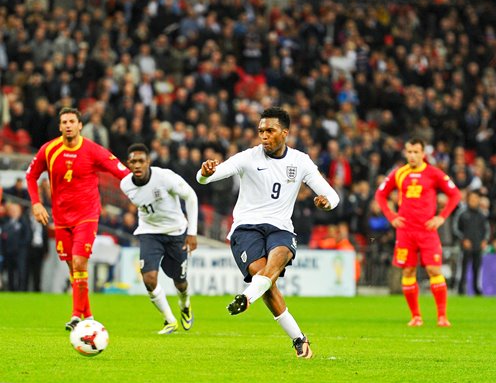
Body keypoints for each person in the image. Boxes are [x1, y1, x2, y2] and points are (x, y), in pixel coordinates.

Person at [196, 107, 339, 358]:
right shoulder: (248, 158)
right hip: (246, 228)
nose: (263, 135)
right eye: (261, 130)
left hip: (280, 227)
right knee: (265, 280)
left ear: (285, 133)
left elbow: (332, 196)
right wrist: (204, 173)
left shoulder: (300, 161)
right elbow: (207, 178)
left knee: (277, 258)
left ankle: (246, 296)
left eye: (270, 130)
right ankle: (298, 338)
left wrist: (326, 202)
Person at [25, 107, 130, 330]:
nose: (68, 125)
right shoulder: (49, 150)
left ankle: (75, 316)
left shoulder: (93, 150)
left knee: (80, 261)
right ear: (60, 126)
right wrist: (36, 203)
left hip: (87, 215)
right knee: (73, 267)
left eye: (72, 121)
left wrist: (139, 185)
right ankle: (89, 316)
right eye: (64, 122)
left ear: (80, 125)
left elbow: (120, 171)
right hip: (61, 217)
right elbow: (31, 175)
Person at [375, 138, 461, 327]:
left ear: (423, 153)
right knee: (408, 270)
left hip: (427, 230)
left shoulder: (434, 173)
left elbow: (455, 194)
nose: (412, 155)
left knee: (433, 269)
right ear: (405, 153)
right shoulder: (399, 173)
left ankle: (442, 316)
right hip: (405, 231)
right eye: (409, 152)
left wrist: (442, 217)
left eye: (416, 152)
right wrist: (391, 216)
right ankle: (416, 316)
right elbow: (380, 194)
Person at [120, 143, 198, 334]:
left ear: (148, 162)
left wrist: (192, 232)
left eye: (141, 161)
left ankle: (185, 305)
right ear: (128, 164)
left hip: (176, 232)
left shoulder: (165, 178)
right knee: (149, 278)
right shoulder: (125, 185)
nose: (137, 165)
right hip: (150, 232)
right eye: (133, 161)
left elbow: (191, 197)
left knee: (180, 282)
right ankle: (169, 320)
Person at [452, 190, 490, 295]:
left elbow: (486, 229)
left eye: (476, 198)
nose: (474, 200)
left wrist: (484, 240)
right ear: (468, 199)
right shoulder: (462, 213)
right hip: (465, 248)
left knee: (477, 269)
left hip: (478, 247)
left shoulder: (482, 215)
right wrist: (463, 239)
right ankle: (460, 289)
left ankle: (477, 289)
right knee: (462, 269)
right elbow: (455, 228)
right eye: (472, 198)